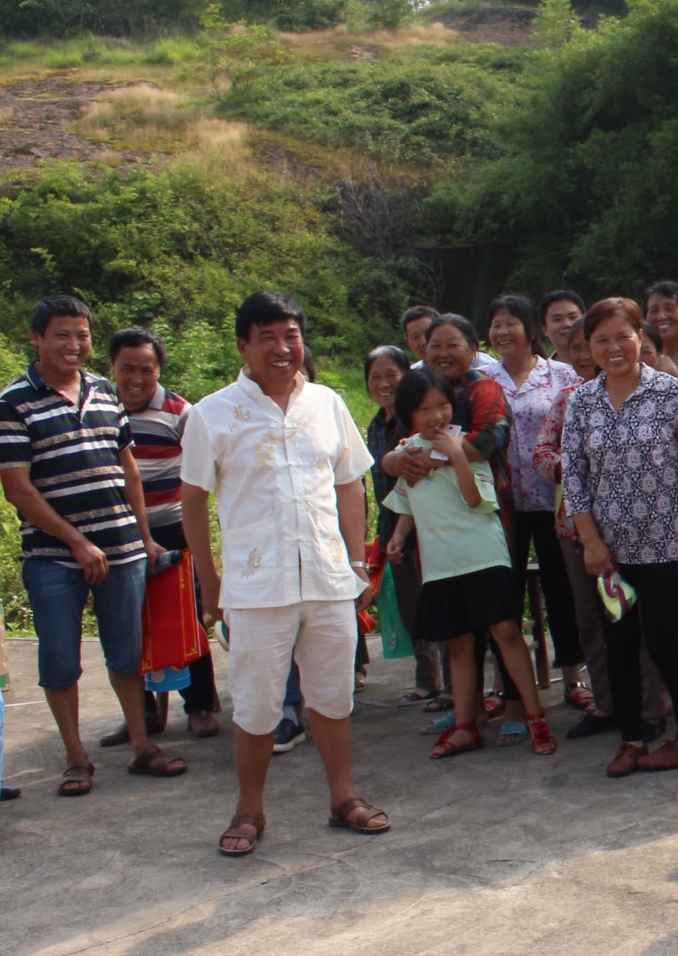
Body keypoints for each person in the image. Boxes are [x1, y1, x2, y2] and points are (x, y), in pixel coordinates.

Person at [181, 291, 388, 856]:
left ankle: (343, 797)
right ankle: (249, 811)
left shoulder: (326, 403)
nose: (281, 347)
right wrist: (210, 581)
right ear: (243, 346)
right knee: (256, 703)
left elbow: (349, 483)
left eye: (290, 335)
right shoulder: (211, 413)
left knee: (333, 695)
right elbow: (193, 499)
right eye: (267, 336)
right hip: (256, 586)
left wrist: (356, 560)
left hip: (326, 578)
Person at [0, 295, 183, 796]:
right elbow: (18, 489)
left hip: (121, 548)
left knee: (127, 651)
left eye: (82, 335)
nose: (74, 345)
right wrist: (75, 542)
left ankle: (143, 746)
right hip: (53, 556)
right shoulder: (11, 404)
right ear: (37, 338)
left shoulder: (103, 391)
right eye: (62, 335)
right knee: (58, 658)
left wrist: (144, 538)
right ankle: (77, 758)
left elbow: (128, 468)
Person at [562, 296, 678, 776]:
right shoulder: (582, 401)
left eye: (623, 336)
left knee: (660, 642)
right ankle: (631, 739)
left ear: (641, 337)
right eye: (601, 340)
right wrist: (591, 543)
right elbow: (573, 478)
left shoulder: (670, 393)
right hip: (609, 555)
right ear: (588, 347)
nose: (614, 348)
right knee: (618, 643)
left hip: (666, 545)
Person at [386, 367, 556, 758]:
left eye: (442, 404)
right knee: (460, 645)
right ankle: (465, 726)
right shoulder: (407, 451)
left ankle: (535, 716)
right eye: (424, 408)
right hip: (441, 563)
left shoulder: (468, 444)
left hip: (483, 553)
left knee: (505, 631)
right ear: (408, 414)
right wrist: (398, 537)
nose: (436, 415)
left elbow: (476, 499)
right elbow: (406, 502)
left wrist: (455, 456)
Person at [532, 325, 676, 740]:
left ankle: (649, 707)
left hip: (634, 527)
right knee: (594, 620)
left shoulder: (644, 393)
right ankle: (607, 703)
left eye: (591, 345)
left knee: (635, 616)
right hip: (576, 531)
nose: (584, 354)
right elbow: (542, 454)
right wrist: (577, 468)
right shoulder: (570, 400)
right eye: (577, 347)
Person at [383, 314, 513, 729]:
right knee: (459, 627)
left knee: (500, 622)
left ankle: (514, 708)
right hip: (440, 530)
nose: (441, 352)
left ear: (473, 348)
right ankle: (466, 710)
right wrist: (395, 460)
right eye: (433, 344)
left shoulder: (484, 387)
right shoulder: (424, 391)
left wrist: (424, 459)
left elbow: (491, 439)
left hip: (484, 516)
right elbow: (398, 446)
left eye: (452, 344)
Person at [109, 326, 222, 740]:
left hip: (172, 529)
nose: (136, 379)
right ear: (112, 368)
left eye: (147, 370)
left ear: (159, 371)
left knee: (185, 618)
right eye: (127, 369)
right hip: (117, 533)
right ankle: (141, 715)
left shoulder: (181, 412)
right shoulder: (99, 405)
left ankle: (199, 707)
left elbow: (199, 480)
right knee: (126, 624)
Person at [486, 294, 588, 709]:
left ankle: (573, 678)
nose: (501, 331)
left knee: (562, 589)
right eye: (494, 324)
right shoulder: (483, 379)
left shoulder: (561, 374)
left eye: (510, 322)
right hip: (501, 506)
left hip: (554, 502)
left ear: (531, 330)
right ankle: (506, 686)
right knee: (503, 594)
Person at [364, 345, 444, 705]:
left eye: (390, 375)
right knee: (410, 605)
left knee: (435, 601)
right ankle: (428, 677)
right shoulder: (375, 426)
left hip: (422, 524)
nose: (383, 383)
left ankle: (442, 681)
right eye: (375, 376)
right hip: (391, 525)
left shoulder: (411, 424)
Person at [539, 289, 587, 356]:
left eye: (573, 317)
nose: (567, 324)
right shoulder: (541, 366)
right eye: (557, 319)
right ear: (544, 329)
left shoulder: (604, 363)